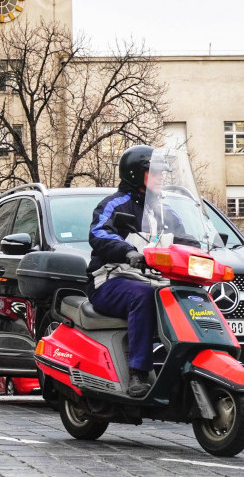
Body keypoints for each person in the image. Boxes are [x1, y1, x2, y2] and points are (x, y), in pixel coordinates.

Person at [87, 145, 180, 398]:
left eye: (163, 172)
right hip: (111, 279)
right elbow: (99, 233)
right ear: (135, 174)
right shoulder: (116, 204)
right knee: (143, 296)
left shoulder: (165, 211)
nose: (161, 177)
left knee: (185, 297)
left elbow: (186, 240)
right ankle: (138, 372)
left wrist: (207, 251)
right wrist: (127, 251)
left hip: (152, 280)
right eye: (154, 172)